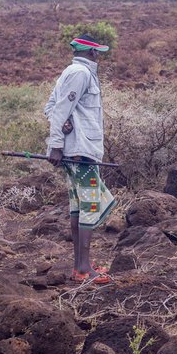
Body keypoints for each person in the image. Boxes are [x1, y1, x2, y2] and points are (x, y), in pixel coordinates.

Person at [45, 34, 117, 285]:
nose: (99, 56)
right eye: (97, 52)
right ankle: (85, 268)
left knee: (80, 205)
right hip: (81, 150)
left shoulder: (72, 71)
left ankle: (80, 266)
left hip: (79, 148)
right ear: (92, 53)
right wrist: (56, 144)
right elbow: (59, 108)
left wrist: (63, 126)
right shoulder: (81, 73)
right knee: (90, 205)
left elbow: (52, 106)